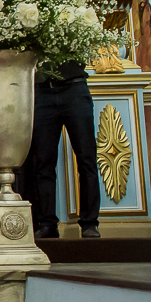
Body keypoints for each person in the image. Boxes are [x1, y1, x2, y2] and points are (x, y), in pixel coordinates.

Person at [28, 62, 101, 238]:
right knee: (43, 162)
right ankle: (47, 223)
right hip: (42, 90)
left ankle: (89, 223)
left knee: (86, 159)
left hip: (74, 88)